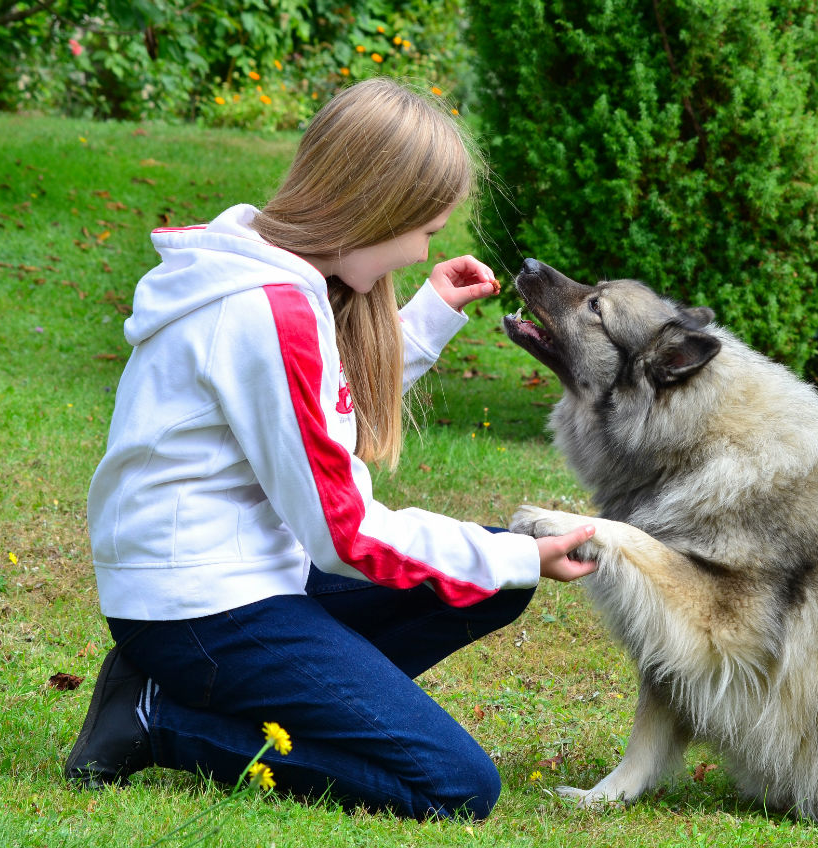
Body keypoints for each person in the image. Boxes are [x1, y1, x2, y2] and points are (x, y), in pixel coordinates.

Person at [63, 77, 596, 820]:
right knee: (455, 786)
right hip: (198, 609)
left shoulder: (262, 266)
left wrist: (429, 315)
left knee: (497, 577)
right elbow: (346, 534)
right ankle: (162, 718)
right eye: (426, 231)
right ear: (378, 207)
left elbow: (311, 405)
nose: (420, 250)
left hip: (237, 578)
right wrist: (512, 553)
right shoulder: (266, 308)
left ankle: (302, 705)